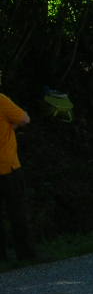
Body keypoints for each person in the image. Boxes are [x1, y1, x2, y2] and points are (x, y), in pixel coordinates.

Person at [0, 88, 36, 260]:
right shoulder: (1, 100)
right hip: (7, 166)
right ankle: (26, 253)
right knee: (17, 211)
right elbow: (24, 119)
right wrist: (10, 126)